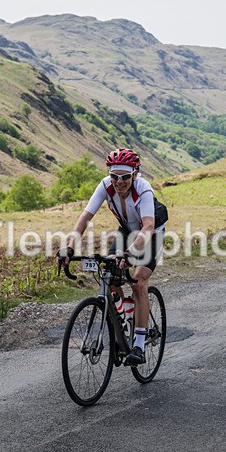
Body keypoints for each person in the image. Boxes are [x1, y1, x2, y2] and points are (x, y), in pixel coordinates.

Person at [60, 148, 165, 366]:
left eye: (125, 177)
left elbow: (148, 227)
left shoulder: (143, 189)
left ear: (134, 174)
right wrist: (69, 248)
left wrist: (131, 253)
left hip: (150, 234)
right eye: (115, 176)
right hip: (127, 231)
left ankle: (138, 343)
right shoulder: (105, 186)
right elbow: (85, 217)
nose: (119, 182)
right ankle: (126, 311)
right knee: (109, 272)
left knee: (138, 282)